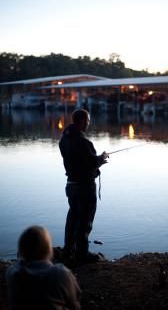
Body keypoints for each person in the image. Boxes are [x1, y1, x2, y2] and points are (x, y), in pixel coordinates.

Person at [59, 108, 109, 263]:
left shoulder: (64, 140)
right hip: (85, 187)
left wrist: (97, 160)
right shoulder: (83, 142)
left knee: (73, 218)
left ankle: (68, 249)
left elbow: (80, 162)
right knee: (85, 221)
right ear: (81, 121)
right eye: (87, 120)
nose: (88, 123)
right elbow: (91, 163)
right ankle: (82, 254)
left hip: (71, 185)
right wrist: (102, 158)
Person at [6, 225, 81, 310]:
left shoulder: (12, 272)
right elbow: (74, 303)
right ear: (48, 249)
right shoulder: (60, 273)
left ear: (21, 249)